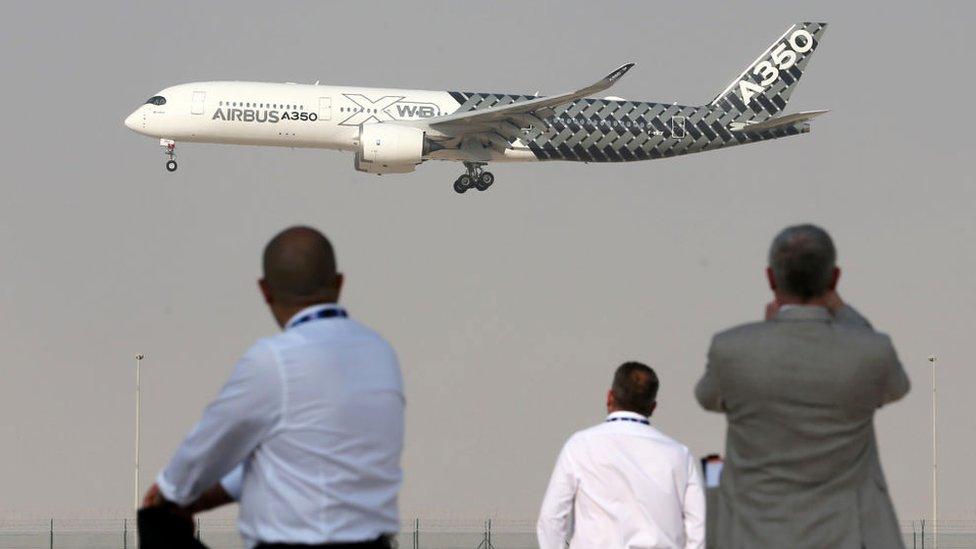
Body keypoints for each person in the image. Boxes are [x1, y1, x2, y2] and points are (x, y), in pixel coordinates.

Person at [141, 226, 405, 549]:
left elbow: (201, 455)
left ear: (264, 291)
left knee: (156, 522)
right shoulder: (381, 355)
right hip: (373, 544)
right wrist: (208, 496)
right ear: (339, 283)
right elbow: (305, 458)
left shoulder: (273, 361)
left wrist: (169, 495)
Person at [695, 224, 910, 549]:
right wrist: (840, 308)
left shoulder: (732, 350)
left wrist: (770, 334)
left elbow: (707, 396)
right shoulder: (870, 352)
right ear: (834, 279)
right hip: (847, 533)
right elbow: (896, 385)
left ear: (771, 278)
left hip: (754, 532)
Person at [537, 362, 706, 549]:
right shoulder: (679, 454)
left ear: (610, 397)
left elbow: (551, 519)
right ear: (653, 407)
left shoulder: (580, 445)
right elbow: (698, 527)